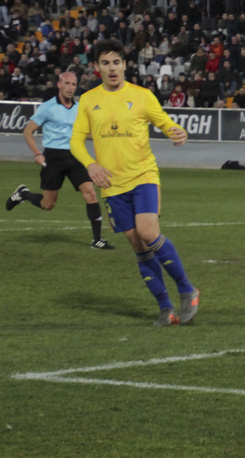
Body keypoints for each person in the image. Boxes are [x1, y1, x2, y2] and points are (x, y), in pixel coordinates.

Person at [69, 40, 199, 327]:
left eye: (117, 62)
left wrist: (178, 133)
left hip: (143, 176)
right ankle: (165, 308)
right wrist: (90, 164)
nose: (112, 68)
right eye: (106, 63)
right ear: (96, 67)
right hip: (112, 184)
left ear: (125, 65)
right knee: (137, 245)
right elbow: (76, 140)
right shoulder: (89, 100)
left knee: (148, 232)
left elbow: (166, 124)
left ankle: (187, 288)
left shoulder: (142, 96)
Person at [7, 71, 113, 250]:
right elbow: (28, 132)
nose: (71, 88)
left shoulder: (79, 108)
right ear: (59, 85)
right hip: (53, 157)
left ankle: (97, 240)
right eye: (67, 84)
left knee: (90, 192)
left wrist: (100, 137)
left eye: (74, 84)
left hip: (75, 154)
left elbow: (84, 134)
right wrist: (37, 154)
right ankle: (24, 194)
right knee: (48, 204)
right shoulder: (47, 107)